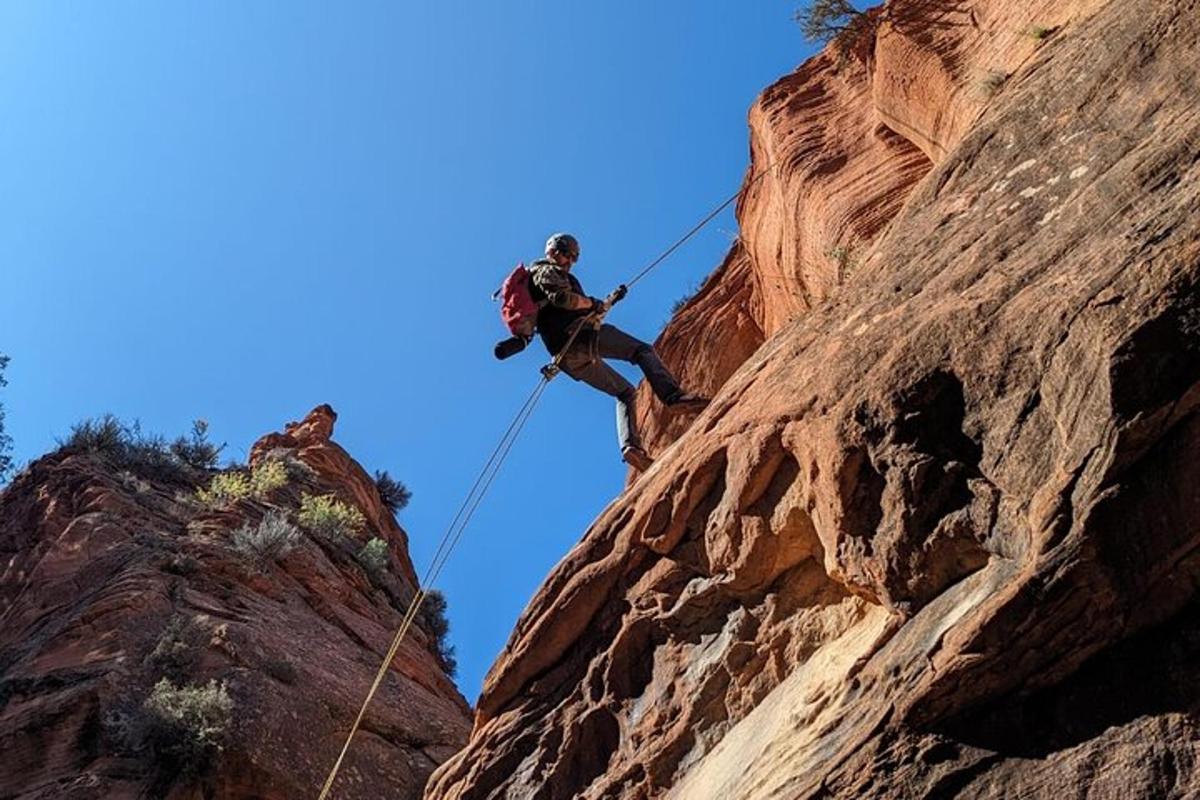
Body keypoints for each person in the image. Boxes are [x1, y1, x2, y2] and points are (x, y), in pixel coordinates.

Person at [529, 232, 708, 472]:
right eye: (567, 255)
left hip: (568, 357)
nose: (570, 262)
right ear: (553, 252)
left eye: (574, 258)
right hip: (579, 337)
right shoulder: (545, 271)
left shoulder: (544, 284)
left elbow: (584, 313)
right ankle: (674, 398)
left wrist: (611, 300)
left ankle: (631, 448)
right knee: (642, 351)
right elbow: (565, 300)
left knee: (625, 393)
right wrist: (591, 303)